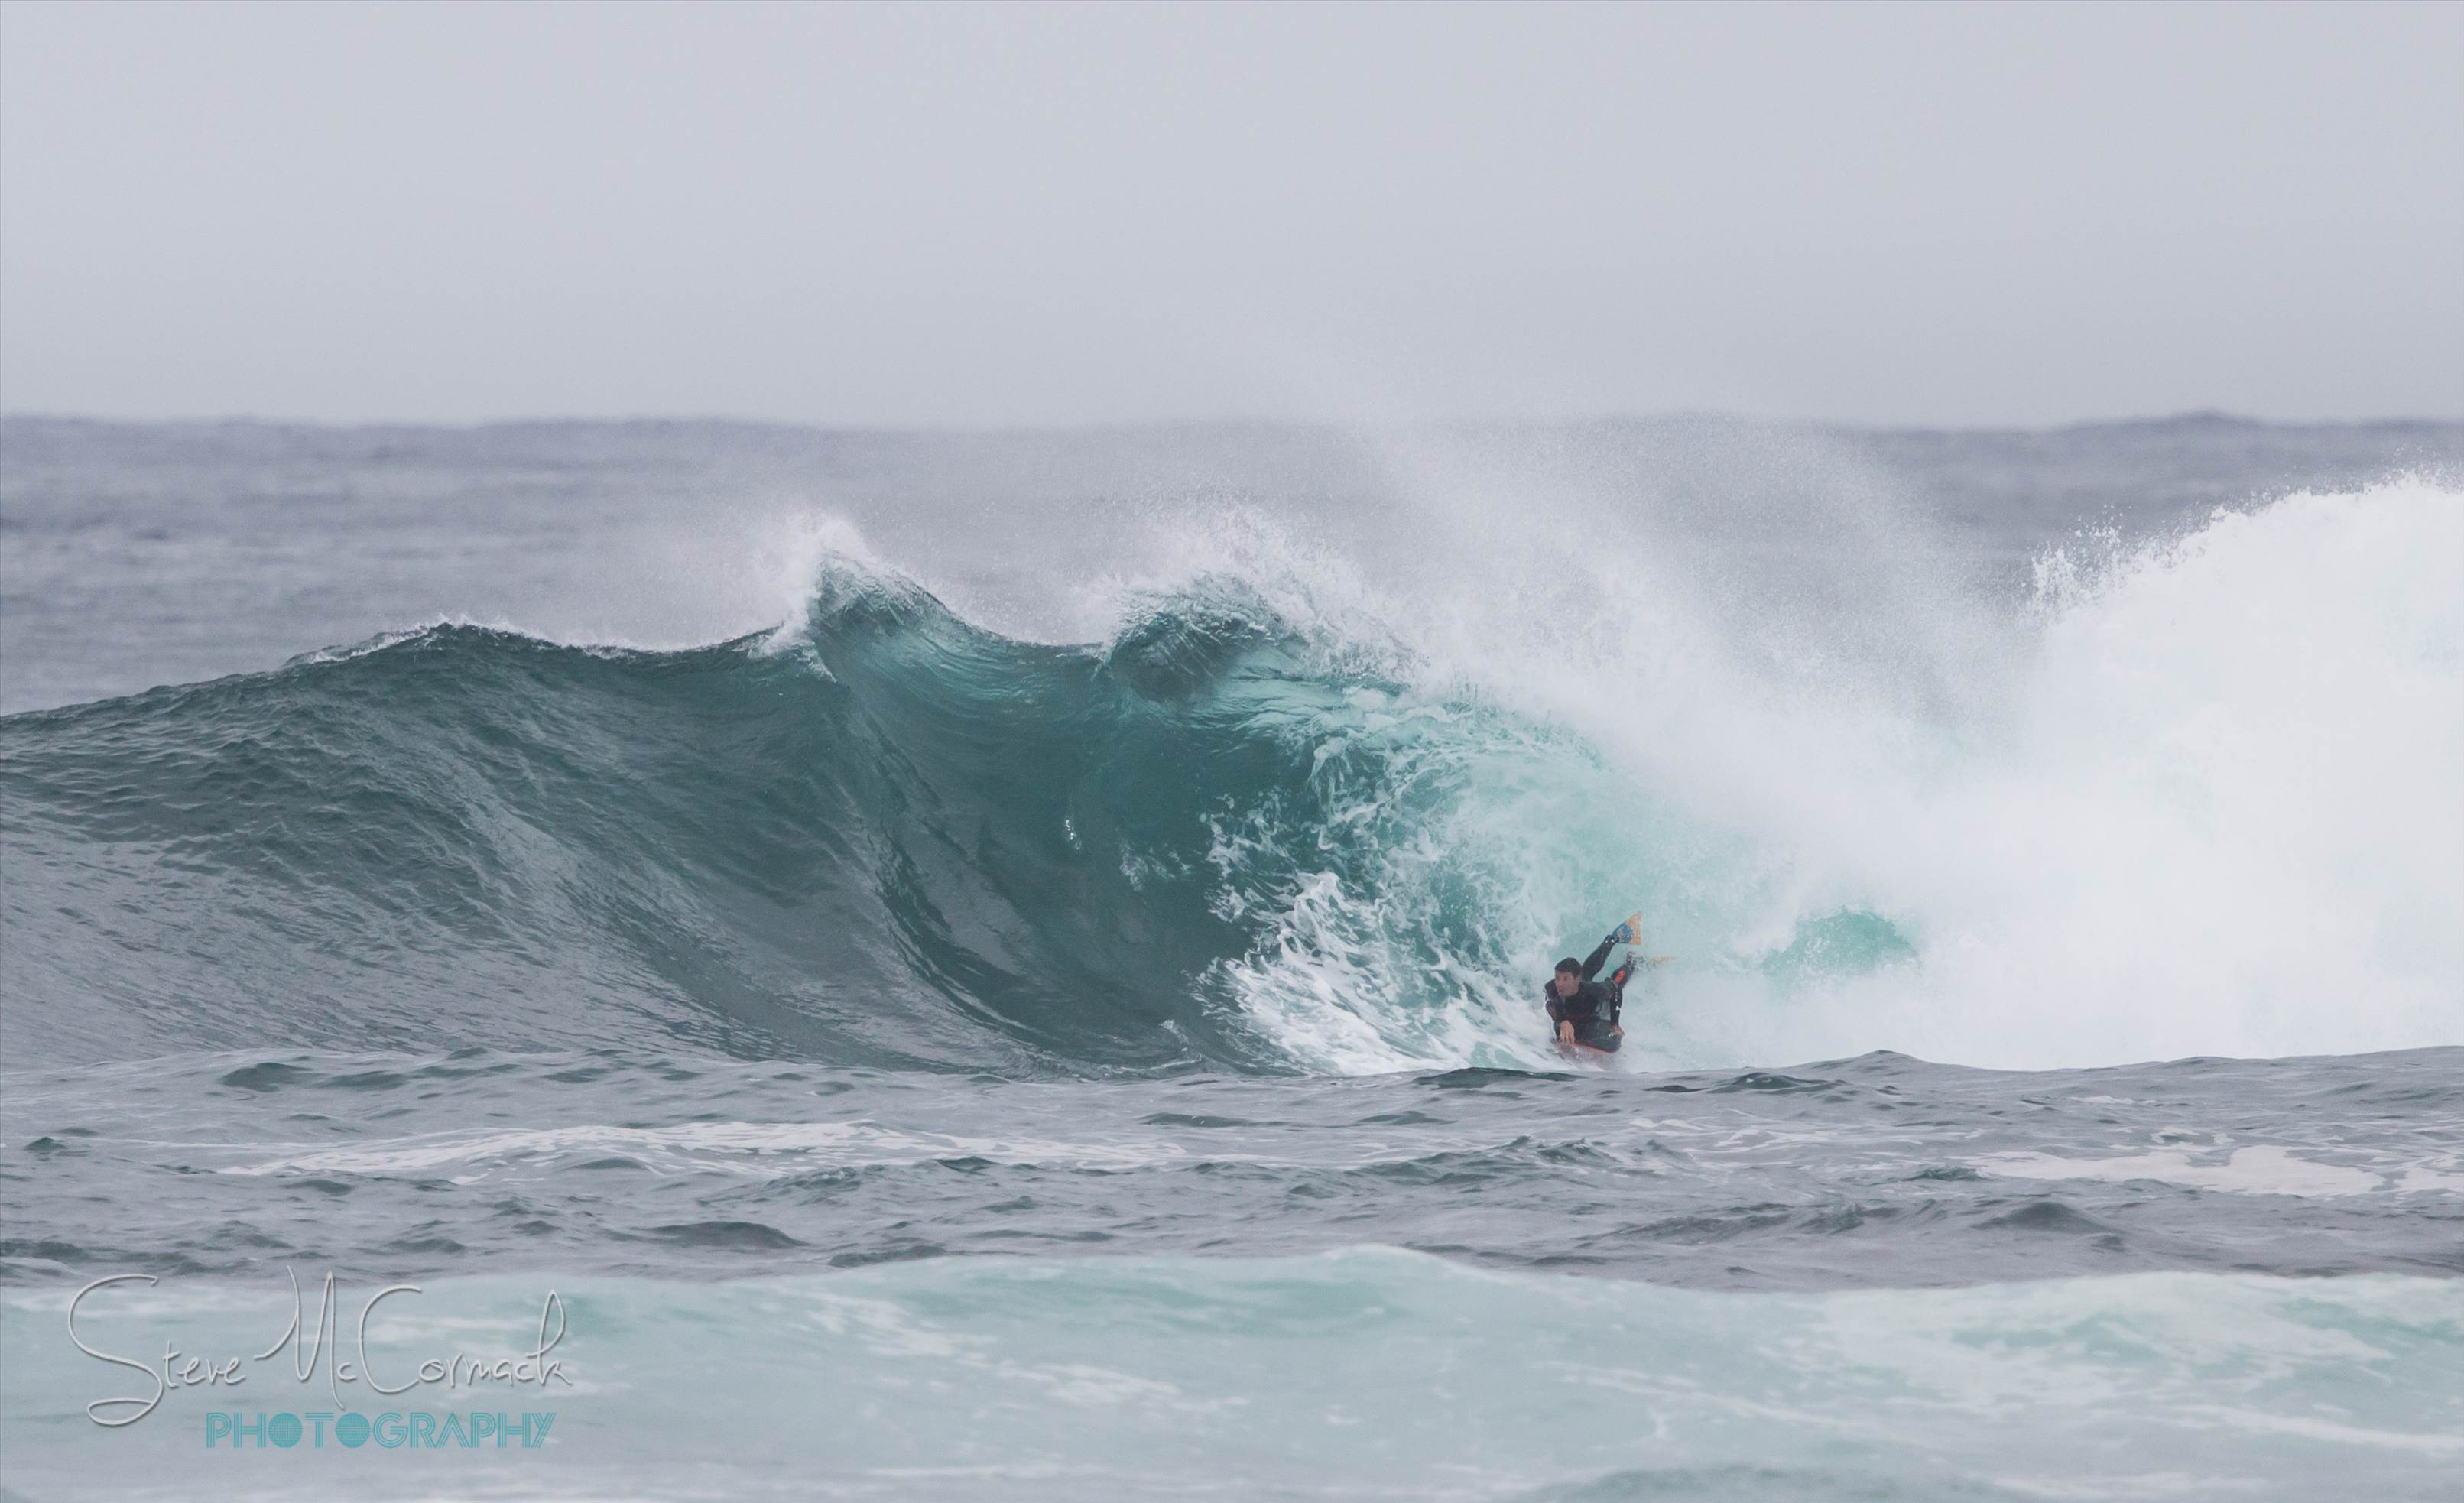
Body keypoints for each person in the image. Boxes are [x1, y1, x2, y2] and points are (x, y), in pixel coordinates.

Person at [1546, 912, 1644, 1055]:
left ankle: (1632, 962)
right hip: (1578, 993)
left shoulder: (1593, 991)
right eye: (1557, 978)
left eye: (1564, 979)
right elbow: (1555, 1007)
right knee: (1585, 972)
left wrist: (1615, 1024)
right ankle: (1612, 939)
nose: (1559, 984)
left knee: (1613, 982)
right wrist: (1563, 1022)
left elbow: (1616, 989)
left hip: (1597, 1006)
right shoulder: (1553, 987)